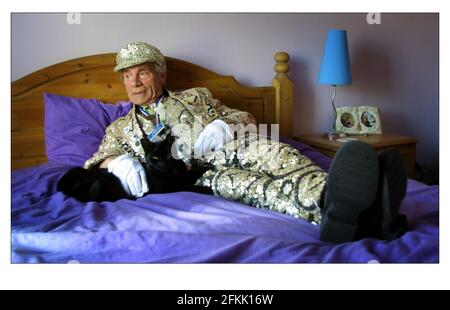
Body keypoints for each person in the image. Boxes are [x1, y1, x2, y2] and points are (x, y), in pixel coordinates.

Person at [84, 42, 407, 243]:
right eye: (127, 76)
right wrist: (115, 162)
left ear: (161, 75)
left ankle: (354, 199)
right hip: (201, 179)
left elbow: (244, 118)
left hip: (229, 146)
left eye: (142, 73)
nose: (135, 82)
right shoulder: (120, 128)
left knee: (279, 155)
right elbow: (93, 161)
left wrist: (223, 125)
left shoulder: (197, 96)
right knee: (259, 191)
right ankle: (350, 210)